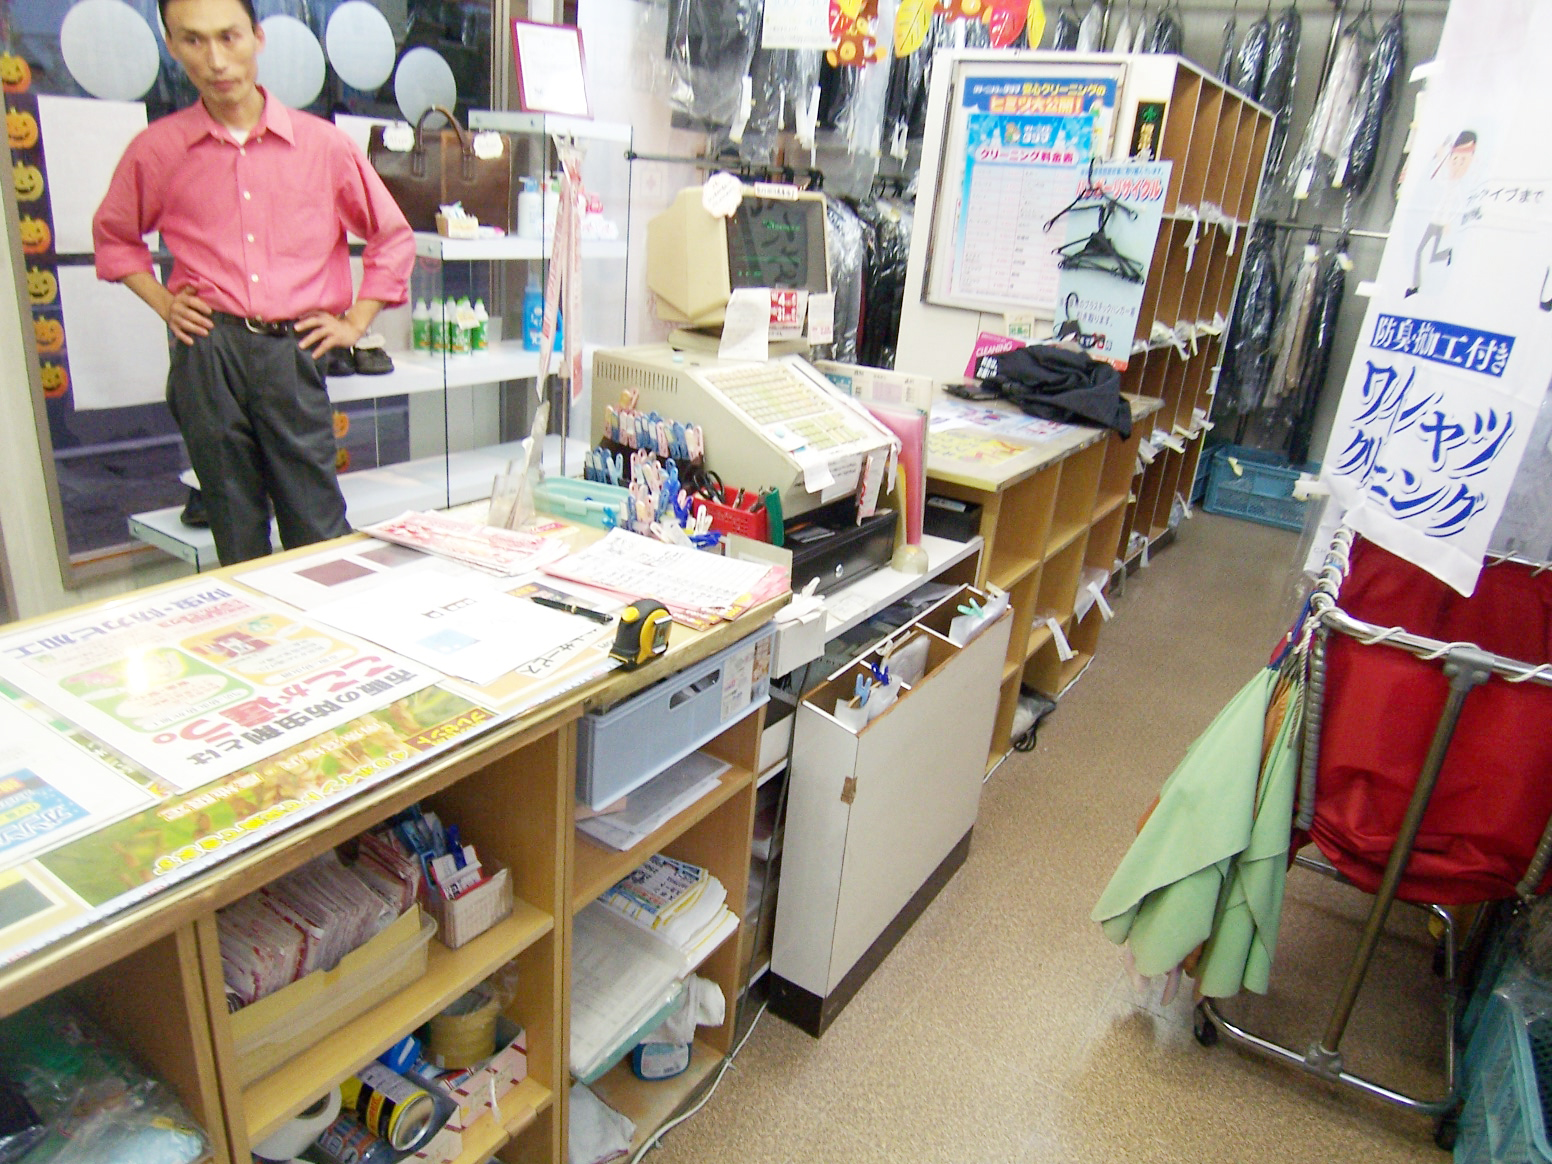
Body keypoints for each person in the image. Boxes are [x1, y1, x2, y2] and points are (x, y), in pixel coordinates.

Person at [93, 0, 414, 565]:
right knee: (233, 523)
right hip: (207, 350)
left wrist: (356, 321)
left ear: (257, 37)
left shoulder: (323, 147)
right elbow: (115, 238)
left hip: (291, 350)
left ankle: (328, 618)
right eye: (193, 40)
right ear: (171, 46)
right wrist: (164, 303)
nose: (216, 60)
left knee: (317, 523)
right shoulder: (158, 150)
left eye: (229, 37)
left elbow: (391, 236)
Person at [1405, 129, 1476, 298]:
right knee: (1422, 251)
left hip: (1442, 223)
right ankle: (1443, 257)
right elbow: (1436, 177)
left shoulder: (1459, 188)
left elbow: (1459, 207)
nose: (1457, 165)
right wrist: (1439, 157)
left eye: (1463, 161)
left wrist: (1449, 221)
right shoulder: (1446, 181)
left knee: (1426, 253)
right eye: (1455, 159)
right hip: (1433, 220)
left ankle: (1417, 284)